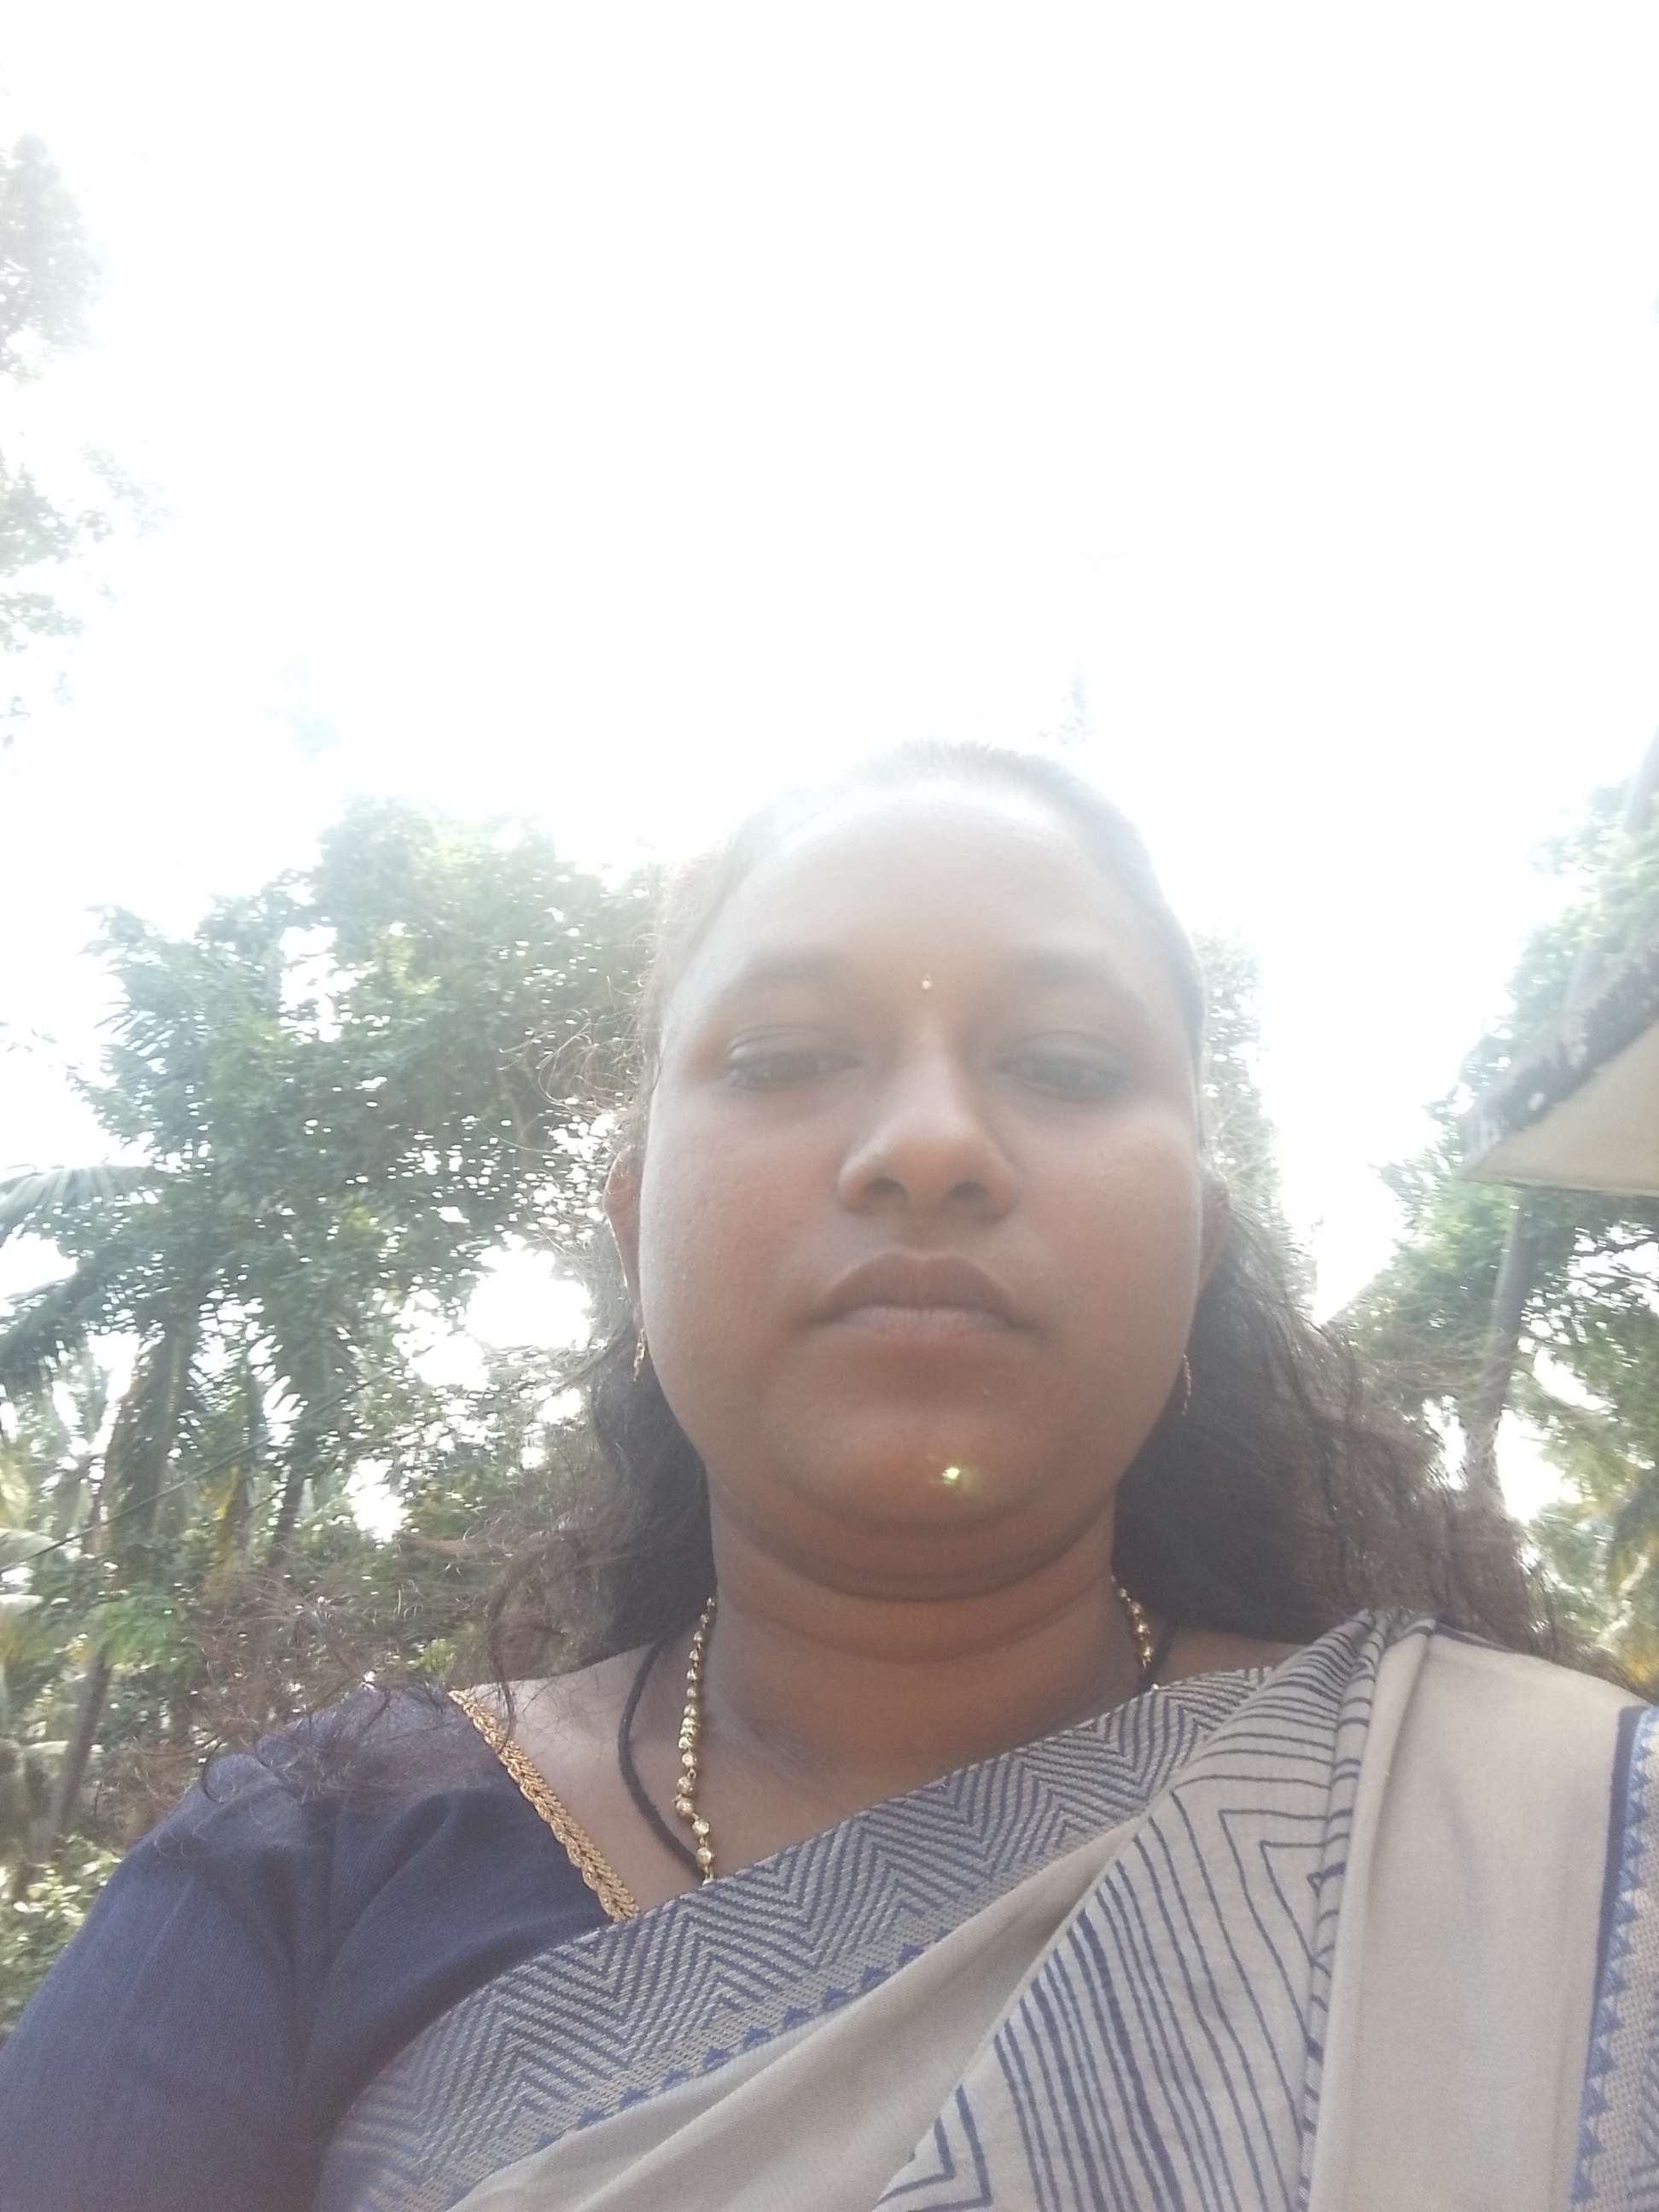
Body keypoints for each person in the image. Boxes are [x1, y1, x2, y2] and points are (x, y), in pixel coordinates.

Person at [2, 742, 1653, 2212]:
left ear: (1198, 1254)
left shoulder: (1549, 1846)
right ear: (636, 1228)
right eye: (788, 1055)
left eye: (1069, 1066)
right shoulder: (311, 1870)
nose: (929, 1144)